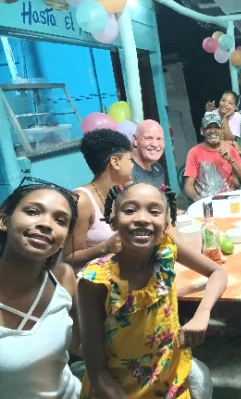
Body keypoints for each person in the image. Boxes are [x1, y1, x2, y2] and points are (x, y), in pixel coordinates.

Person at [77, 183, 228, 398]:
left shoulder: (166, 250)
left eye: (154, 211)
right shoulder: (96, 282)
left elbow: (218, 273)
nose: (142, 218)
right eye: (130, 210)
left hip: (170, 386)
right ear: (113, 221)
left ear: (166, 222)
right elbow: (98, 373)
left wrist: (202, 313)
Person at [0, 178, 81, 398]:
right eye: (33, 211)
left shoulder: (62, 278)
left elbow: (79, 344)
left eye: (60, 220)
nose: (46, 224)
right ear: (4, 220)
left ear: (64, 239)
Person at [63, 129, 133, 273]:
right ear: (115, 162)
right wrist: (104, 247)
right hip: (92, 285)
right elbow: (68, 258)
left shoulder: (121, 194)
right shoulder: (81, 201)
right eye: (130, 160)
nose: (134, 166)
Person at [184, 113, 241, 201]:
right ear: (202, 131)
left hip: (230, 200)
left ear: (222, 130)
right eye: (208, 127)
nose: (213, 131)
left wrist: (231, 161)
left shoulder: (230, 149)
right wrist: (200, 202)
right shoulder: (194, 152)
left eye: (216, 127)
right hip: (206, 202)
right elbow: (188, 187)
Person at [131, 119, 166, 187]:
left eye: (159, 139)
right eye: (148, 138)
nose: (155, 144)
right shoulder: (125, 170)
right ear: (135, 140)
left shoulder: (158, 168)